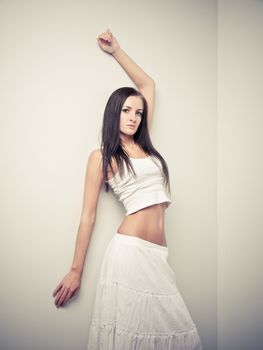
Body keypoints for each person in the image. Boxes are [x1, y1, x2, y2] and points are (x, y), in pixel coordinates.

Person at [53, 29, 203, 350]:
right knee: (132, 336)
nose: (134, 117)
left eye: (138, 112)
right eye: (126, 111)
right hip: (129, 254)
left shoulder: (144, 144)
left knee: (174, 335)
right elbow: (88, 216)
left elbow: (148, 85)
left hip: (158, 256)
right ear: (113, 112)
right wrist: (76, 271)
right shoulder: (102, 156)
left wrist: (117, 50)